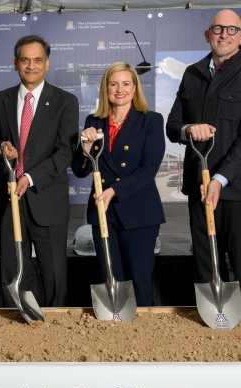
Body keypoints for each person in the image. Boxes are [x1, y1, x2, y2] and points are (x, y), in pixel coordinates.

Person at [0, 35, 79, 307]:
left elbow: (65, 151)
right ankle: (16, 320)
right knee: (13, 269)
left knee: (54, 272)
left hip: (47, 198)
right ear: (15, 64)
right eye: (25, 60)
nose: (31, 65)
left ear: (47, 64)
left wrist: (30, 177)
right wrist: (2, 148)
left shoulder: (65, 101)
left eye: (37, 60)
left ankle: (55, 323)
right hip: (10, 199)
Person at [71, 62, 165, 307]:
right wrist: (86, 148)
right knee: (110, 278)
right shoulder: (94, 120)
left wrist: (114, 190)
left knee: (139, 280)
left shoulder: (151, 121)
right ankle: (115, 334)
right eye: (113, 84)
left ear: (135, 88)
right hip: (103, 213)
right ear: (105, 88)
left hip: (139, 213)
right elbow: (80, 171)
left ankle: (144, 336)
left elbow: (148, 170)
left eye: (125, 84)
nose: (119, 89)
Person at [167, 9, 241, 285]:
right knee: (205, 263)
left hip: (235, 191)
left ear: (240, 36)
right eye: (218, 28)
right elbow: (172, 125)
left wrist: (220, 179)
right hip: (199, 186)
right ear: (207, 34)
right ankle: (213, 323)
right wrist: (188, 129)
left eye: (232, 29)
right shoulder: (193, 73)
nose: (224, 35)